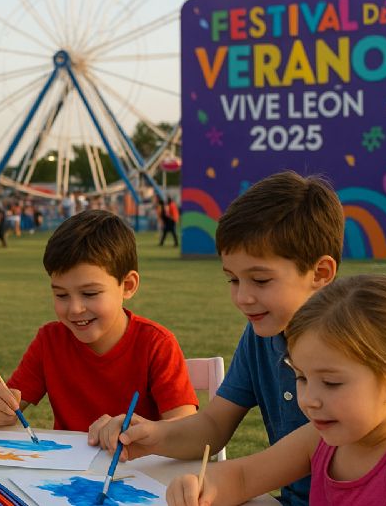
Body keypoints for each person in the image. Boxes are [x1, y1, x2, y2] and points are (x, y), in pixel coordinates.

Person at [88, 171, 345, 506]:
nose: (242, 297)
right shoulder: (259, 338)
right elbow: (213, 425)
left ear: (320, 273)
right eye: (233, 280)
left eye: (260, 280)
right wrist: (153, 435)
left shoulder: (358, 347)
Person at [167, 274, 386, 506]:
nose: (309, 400)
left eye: (332, 383)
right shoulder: (317, 440)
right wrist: (200, 486)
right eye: (301, 377)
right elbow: (243, 477)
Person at [0, 209, 198, 432]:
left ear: (128, 285)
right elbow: (11, 405)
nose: (75, 309)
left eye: (90, 294)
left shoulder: (156, 344)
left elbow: (186, 431)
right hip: (68, 467)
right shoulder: (50, 341)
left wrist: (142, 432)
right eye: (61, 295)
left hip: (135, 466)